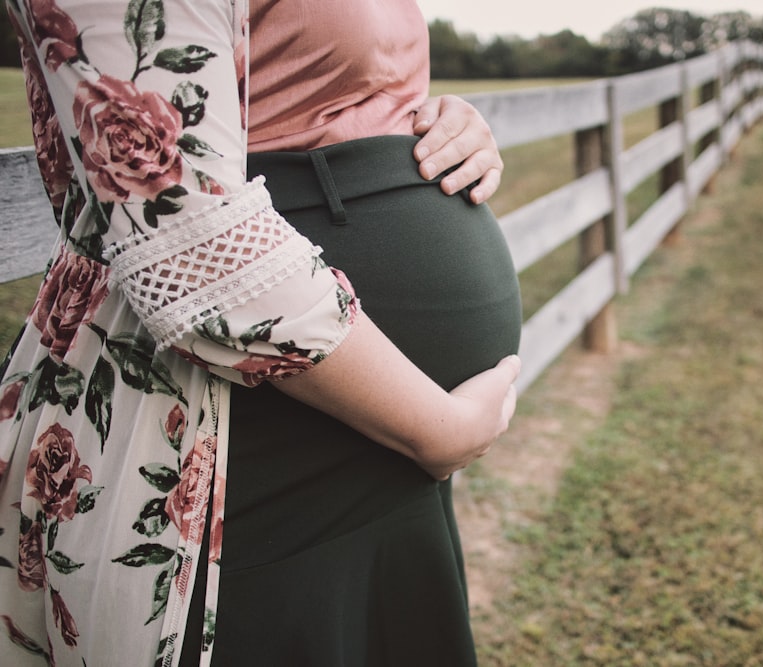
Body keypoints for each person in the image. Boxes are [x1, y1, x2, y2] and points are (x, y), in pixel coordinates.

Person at [0, 0, 523, 665]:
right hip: (240, 427)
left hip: (378, 447)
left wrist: (427, 123)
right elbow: (181, 228)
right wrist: (440, 428)